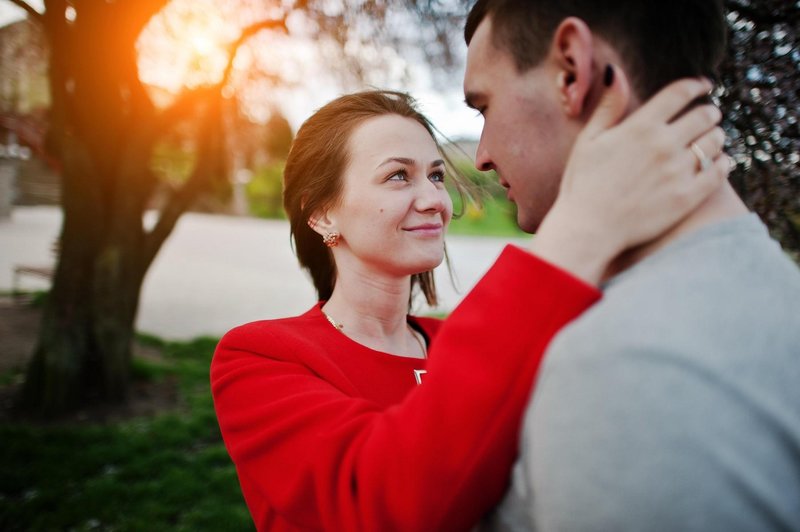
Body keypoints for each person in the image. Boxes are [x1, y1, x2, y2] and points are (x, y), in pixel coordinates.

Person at [211, 83, 727, 530]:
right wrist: (583, 226)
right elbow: (378, 503)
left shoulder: (458, 343)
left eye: (436, 176)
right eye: (398, 176)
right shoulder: (261, 357)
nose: (435, 199)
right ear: (322, 214)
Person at [459, 1, 800, 530]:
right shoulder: (772, 286)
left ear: (571, 70)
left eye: (483, 107)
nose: (479, 155)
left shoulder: (623, 366)